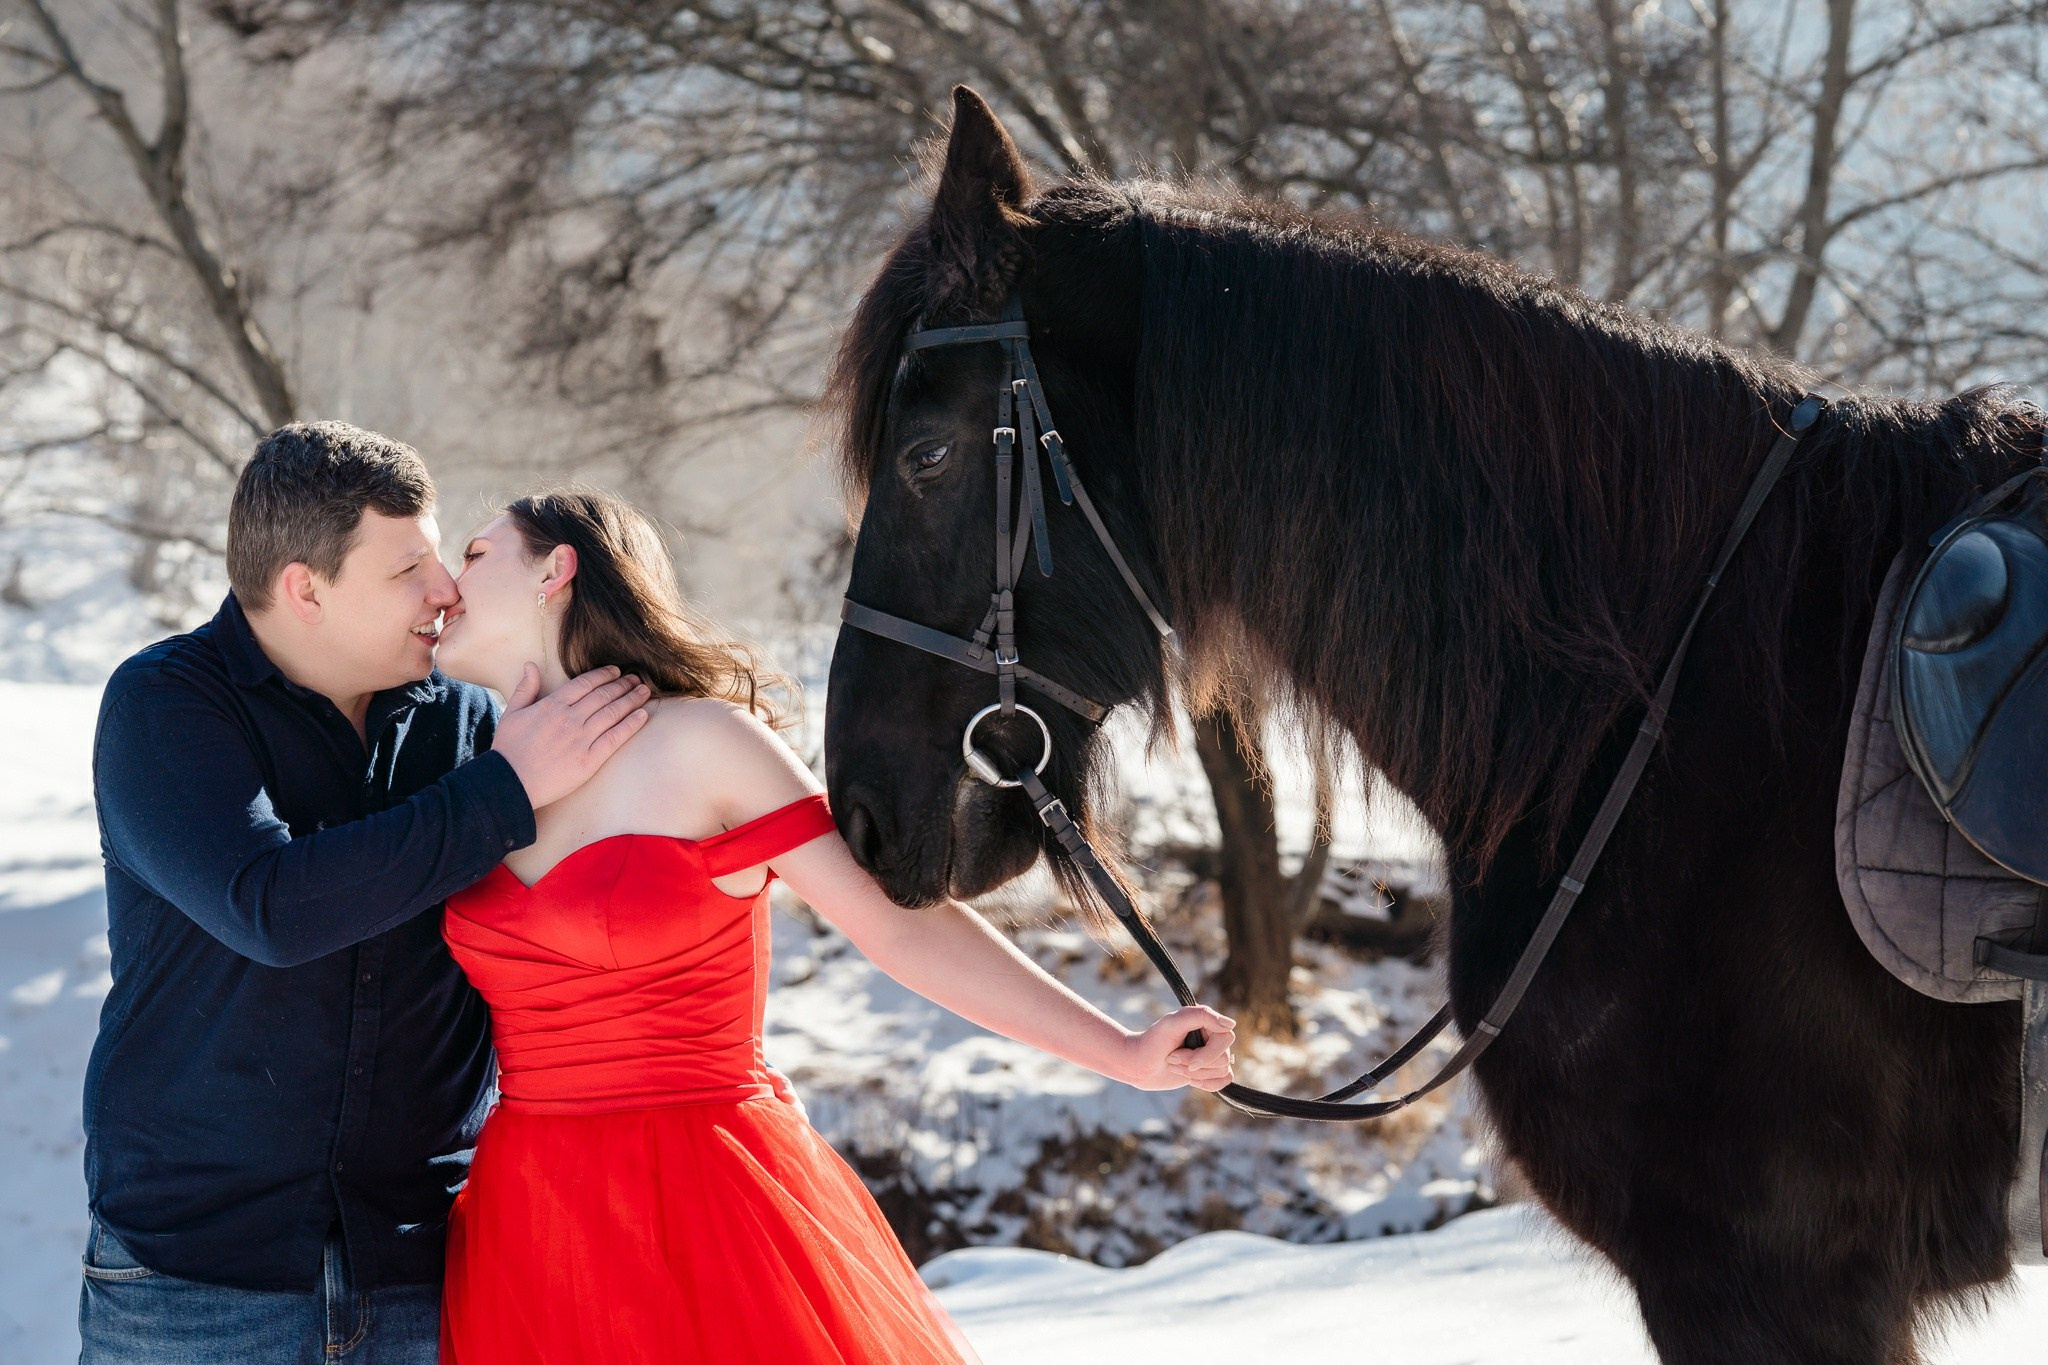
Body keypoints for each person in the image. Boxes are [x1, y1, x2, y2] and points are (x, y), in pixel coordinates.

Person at [431, 487, 1237, 1365]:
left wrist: (1122, 1051)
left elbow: (902, 929)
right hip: (529, 1218)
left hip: (705, 1198)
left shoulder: (705, 743)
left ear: (555, 570)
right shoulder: (478, 775)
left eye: (473, 554)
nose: (445, 583)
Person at [81, 423, 650, 1364]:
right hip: (196, 1288)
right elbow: (270, 905)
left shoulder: (480, 723)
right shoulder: (165, 705)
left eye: (441, 557)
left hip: (427, 1266)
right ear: (304, 589)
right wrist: (500, 794)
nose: (445, 589)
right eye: (407, 570)